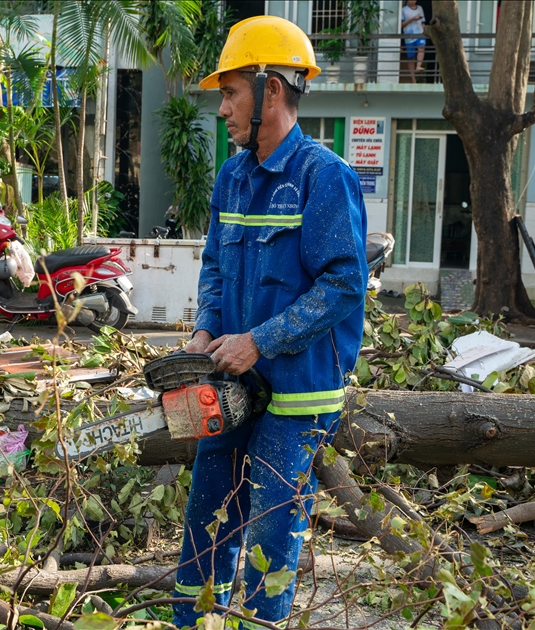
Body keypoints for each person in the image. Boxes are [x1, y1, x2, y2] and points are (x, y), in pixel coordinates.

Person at [172, 15, 368, 629]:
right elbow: (213, 265)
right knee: (206, 520)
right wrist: (207, 328)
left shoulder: (322, 176)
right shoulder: (232, 176)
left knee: (269, 541)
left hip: (300, 391)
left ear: (271, 89)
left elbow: (343, 285)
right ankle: (190, 621)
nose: (223, 107)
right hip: (230, 378)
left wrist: (261, 340)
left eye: (230, 92)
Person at [401, 0, 427, 75]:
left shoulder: (420, 8)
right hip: (409, 36)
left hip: (420, 33)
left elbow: (423, 21)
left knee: (421, 47)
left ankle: (419, 66)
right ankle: (413, 80)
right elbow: (401, 24)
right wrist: (412, 19)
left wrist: (424, 30)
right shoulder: (404, 10)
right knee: (411, 58)